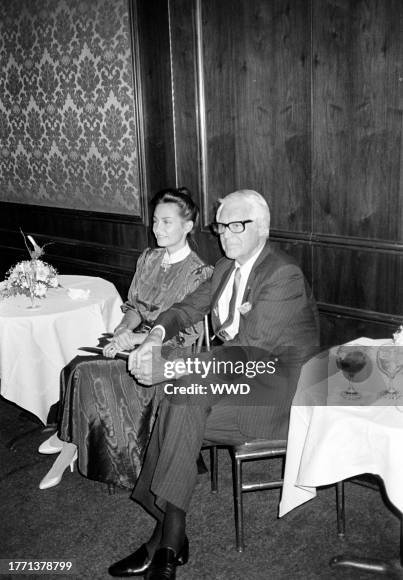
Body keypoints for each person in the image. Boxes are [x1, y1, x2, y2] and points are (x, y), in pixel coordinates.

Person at [108, 189, 319, 579]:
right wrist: (155, 335)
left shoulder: (282, 274)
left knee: (178, 395)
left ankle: (166, 537)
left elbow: (250, 354)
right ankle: (170, 540)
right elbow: (187, 308)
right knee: (182, 401)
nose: (226, 234)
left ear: (263, 227)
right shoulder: (226, 267)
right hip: (234, 379)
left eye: (237, 225)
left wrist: (170, 369)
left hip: (276, 391)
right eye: (222, 226)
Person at [38, 187, 213, 490]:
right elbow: (135, 307)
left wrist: (135, 339)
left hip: (167, 354)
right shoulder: (148, 259)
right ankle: (72, 438)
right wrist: (122, 329)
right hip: (134, 338)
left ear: (188, 226)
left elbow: (185, 333)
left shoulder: (199, 273)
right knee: (77, 361)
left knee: (86, 370)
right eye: (155, 221)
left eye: (167, 222)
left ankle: (69, 442)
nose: (157, 229)